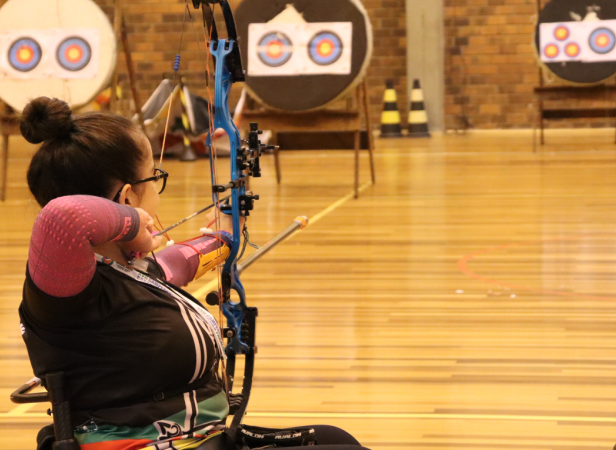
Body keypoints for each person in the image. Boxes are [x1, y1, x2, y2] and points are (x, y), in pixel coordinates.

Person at [18, 97, 370, 450]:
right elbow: (63, 218)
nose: (157, 187)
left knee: (333, 439)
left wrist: (226, 229)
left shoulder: (132, 268)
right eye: (154, 177)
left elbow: (178, 263)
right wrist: (135, 223)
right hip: (150, 446)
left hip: (201, 438)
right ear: (128, 198)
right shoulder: (65, 293)